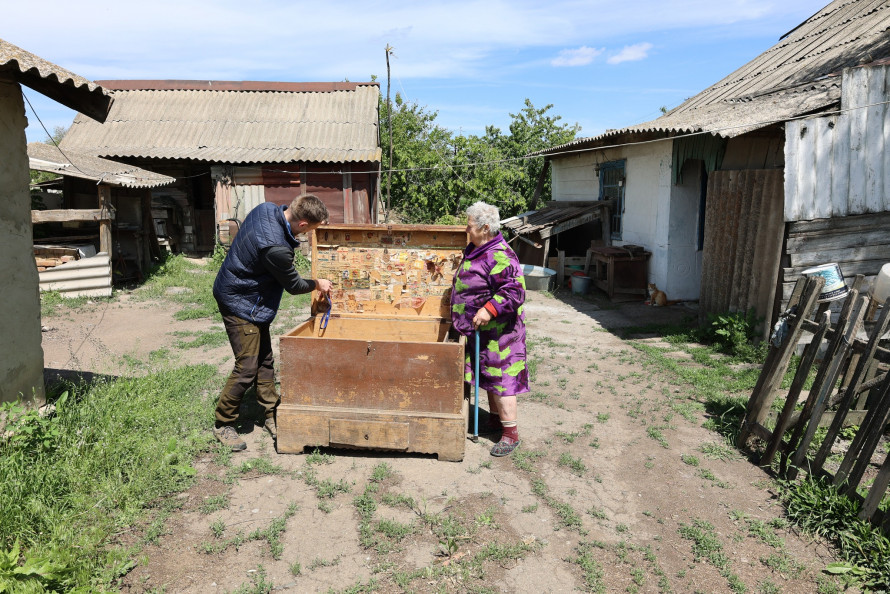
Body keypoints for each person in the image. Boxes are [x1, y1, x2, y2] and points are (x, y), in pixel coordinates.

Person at [211, 194, 333, 451]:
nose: (310, 234)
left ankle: (271, 412)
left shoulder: (266, 208)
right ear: (303, 225)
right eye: (312, 229)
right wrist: (317, 284)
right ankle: (223, 423)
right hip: (240, 302)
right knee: (247, 366)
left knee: (264, 359)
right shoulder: (276, 248)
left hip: (248, 294)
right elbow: (294, 285)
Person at [450, 201, 529, 456]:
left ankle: (510, 434)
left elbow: (515, 291)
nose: (466, 229)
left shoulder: (500, 255)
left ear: (485, 228)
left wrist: (489, 309)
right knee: (490, 378)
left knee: (503, 381)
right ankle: (495, 422)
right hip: (481, 333)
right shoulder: (478, 248)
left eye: (469, 226)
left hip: (501, 335)